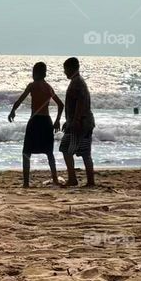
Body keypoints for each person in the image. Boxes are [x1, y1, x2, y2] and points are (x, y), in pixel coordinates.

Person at [8, 61, 64, 187]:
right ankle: (54, 179)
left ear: (36, 73)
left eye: (33, 72)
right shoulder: (49, 87)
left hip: (35, 121)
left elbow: (20, 100)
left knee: (26, 152)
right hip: (47, 121)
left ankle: (26, 183)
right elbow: (61, 104)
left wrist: (13, 111)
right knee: (49, 153)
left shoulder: (32, 86)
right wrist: (57, 120)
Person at [60, 56, 95, 187]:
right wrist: (68, 120)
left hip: (80, 123)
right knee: (85, 153)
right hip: (84, 122)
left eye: (65, 69)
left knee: (65, 148)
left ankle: (73, 178)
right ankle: (90, 181)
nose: (64, 72)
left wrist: (75, 120)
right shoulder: (78, 81)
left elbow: (80, 103)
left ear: (71, 68)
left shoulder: (77, 83)